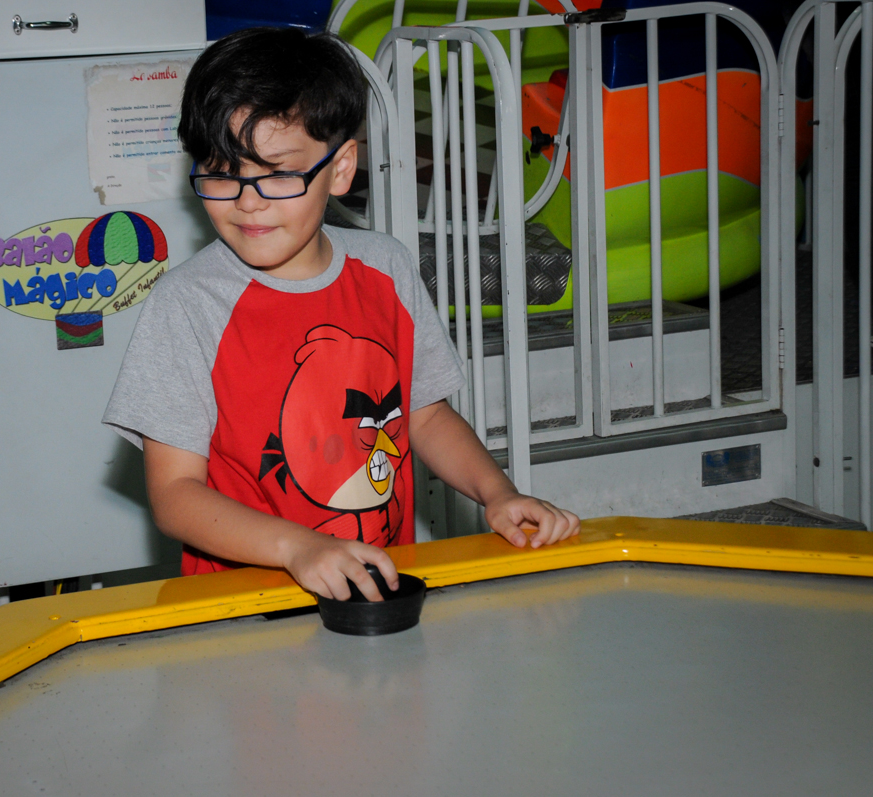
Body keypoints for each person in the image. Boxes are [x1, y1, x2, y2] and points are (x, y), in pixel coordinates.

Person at [104, 27, 580, 603]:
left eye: (277, 173)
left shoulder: (387, 269)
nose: (246, 201)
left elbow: (425, 418)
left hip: (376, 587)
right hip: (247, 608)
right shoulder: (187, 306)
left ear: (342, 167)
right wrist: (296, 548)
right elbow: (176, 494)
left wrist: (497, 493)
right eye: (222, 172)